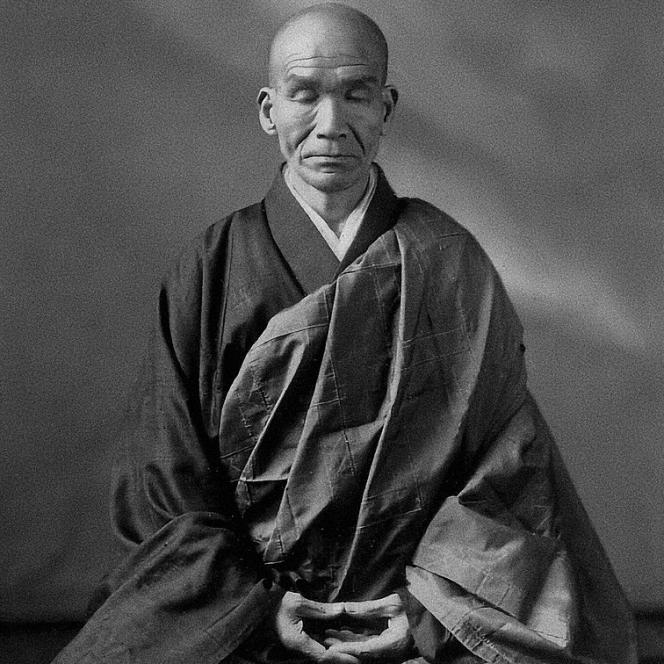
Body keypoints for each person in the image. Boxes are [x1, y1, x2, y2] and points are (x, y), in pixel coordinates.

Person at [54, 4, 637, 663]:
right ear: (269, 109)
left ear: (385, 108)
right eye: (305, 94)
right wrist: (262, 611)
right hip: (249, 620)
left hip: (419, 616)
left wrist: (426, 612)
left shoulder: (448, 263)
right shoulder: (212, 267)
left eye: (355, 94)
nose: (330, 125)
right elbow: (165, 489)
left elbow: (510, 474)